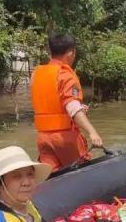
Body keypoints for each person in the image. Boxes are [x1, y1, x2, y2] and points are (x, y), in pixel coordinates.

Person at [31, 33, 103, 172]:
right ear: (71, 53)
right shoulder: (65, 75)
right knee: (81, 174)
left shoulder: (37, 74)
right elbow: (73, 107)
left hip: (43, 138)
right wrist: (92, 132)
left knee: (51, 179)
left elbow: (50, 102)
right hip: (64, 138)